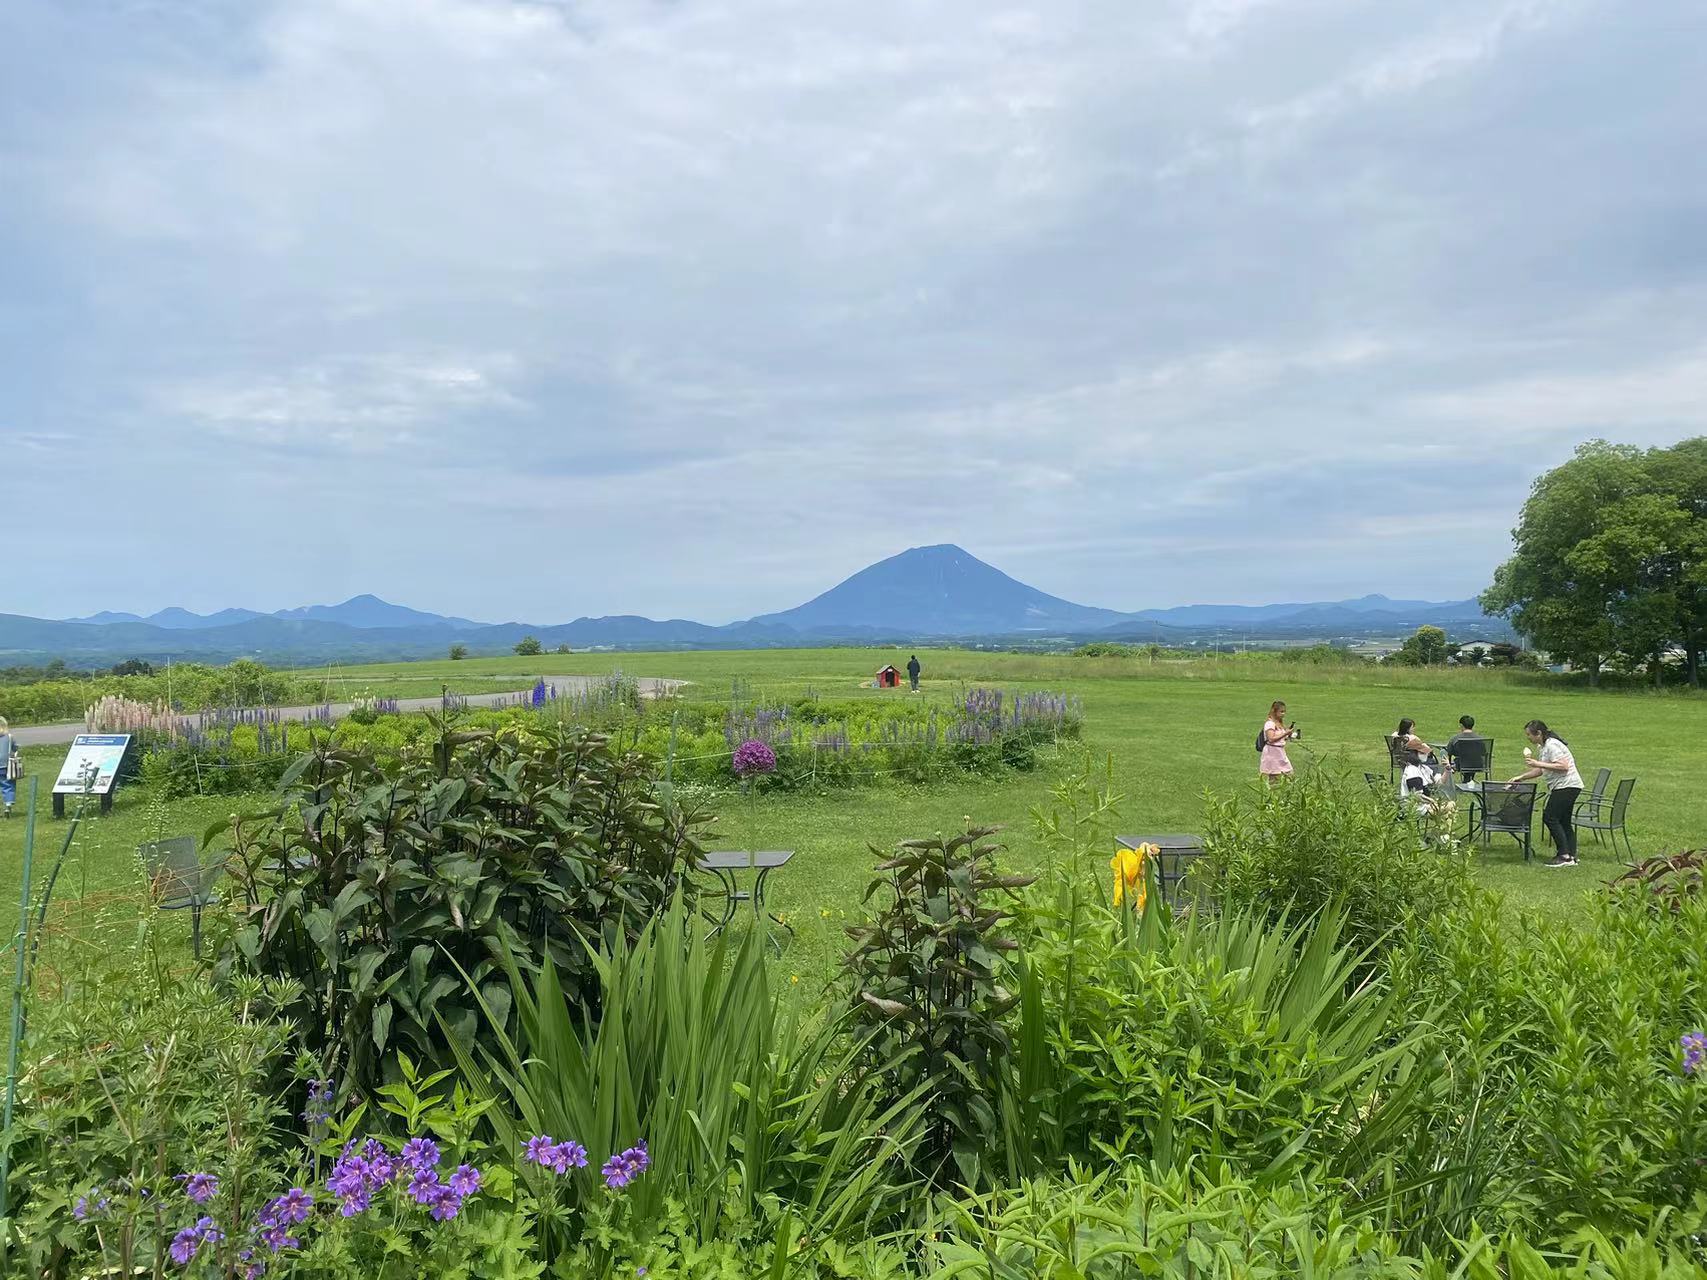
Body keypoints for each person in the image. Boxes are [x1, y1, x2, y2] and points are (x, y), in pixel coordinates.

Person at [1508, 719, 1583, 868]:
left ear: (1539, 733)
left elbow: (1563, 766)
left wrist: (1538, 763)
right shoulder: (1543, 746)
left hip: (1566, 786)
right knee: (1564, 821)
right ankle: (1571, 856)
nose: (1528, 737)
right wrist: (1521, 777)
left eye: (1529, 734)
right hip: (1568, 786)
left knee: (1550, 817)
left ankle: (1564, 856)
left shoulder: (1552, 745)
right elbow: (1542, 770)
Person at [1392, 718, 1443, 794]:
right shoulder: (1412, 738)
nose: (1414, 729)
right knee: (1432, 762)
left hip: (1401, 760)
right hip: (1415, 761)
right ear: (1407, 728)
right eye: (1412, 727)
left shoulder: (1394, 736)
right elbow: (1426, 749)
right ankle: (1435, 780)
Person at [1258, 700, 1297, 785]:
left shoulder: (1279, 723)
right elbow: (1271, 738)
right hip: (1272, 753)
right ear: (1275, 712)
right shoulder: (1270, 723)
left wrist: (1289, 735)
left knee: (1290, 775)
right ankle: (1273, 796)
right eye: (1281, 712)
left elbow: (1281, 737)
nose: (1283, 714)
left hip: (1280, 753)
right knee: (1274, 778)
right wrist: (1285, 733)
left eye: (1284, 712)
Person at [1445, 715, 1486, 782]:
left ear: (1461, 725)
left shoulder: (1455, 739)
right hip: (1478, 764)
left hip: (1461, 764)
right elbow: (1484, 752)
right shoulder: (1480, 739)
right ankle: (1469, 779)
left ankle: (1465, 780)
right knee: (1471, 758)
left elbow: (1449, 752)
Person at [0, 717, 18, 817]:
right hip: (5, 766)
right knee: (8, 785)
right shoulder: (9, 737)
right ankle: (8, 806)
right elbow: (15, 748)